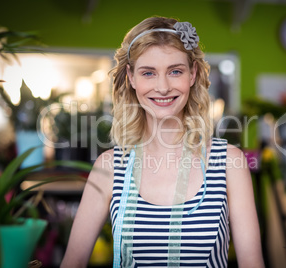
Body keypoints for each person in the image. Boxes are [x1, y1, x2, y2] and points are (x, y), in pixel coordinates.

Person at [61, 16, 264, 268]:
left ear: (193, 74)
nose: (163, 87)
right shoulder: (109, 167)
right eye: (149, 73)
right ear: (131, 78)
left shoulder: (228, 162)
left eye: (175, 71)